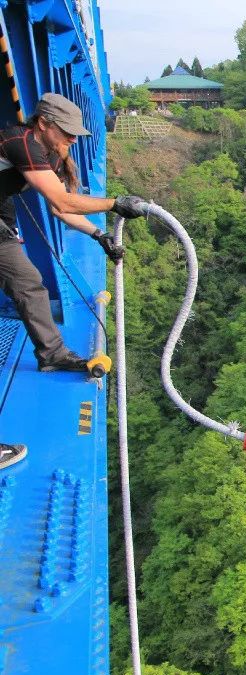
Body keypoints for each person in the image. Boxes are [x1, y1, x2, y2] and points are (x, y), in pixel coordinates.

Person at [0, 93, 148, 466]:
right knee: (28, 282)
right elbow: (64, 203)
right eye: (68, 133)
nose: (74, 140)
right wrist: (114, 203)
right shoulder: (21, 143)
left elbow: (58, 208)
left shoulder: (43, 151)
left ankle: (52, 355)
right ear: (44, 124)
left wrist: (98, 237)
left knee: (29, 282)